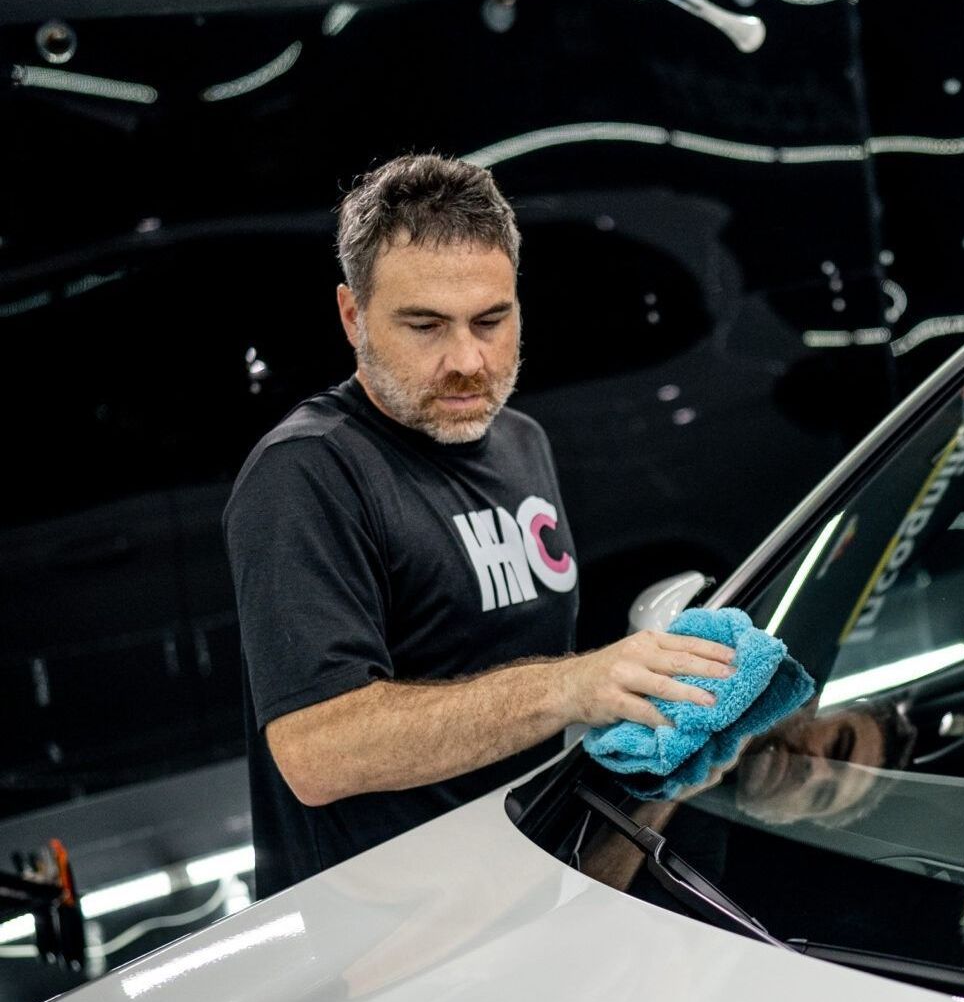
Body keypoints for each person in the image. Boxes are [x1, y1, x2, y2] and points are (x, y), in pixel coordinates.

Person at [224, 153, 734, 897]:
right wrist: (569, 688)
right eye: (425, 325)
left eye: (490, 320)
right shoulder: (308, 473)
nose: (468, 360)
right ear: (352, 315)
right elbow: (317, 752)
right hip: (376, 948)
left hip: (524, 890)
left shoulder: (521, 440)